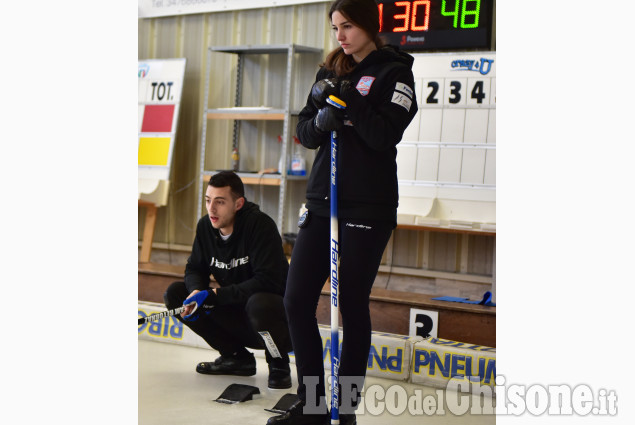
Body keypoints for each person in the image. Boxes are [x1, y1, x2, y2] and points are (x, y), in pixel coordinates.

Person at [266, 0, 418, 424]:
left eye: (347, 26)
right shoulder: (329, 70)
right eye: (335, 27)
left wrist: (350, 105)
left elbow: (383, 136)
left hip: (367, 204)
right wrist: (322, 119)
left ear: (370, 25)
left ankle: (344, 408)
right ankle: (312, 404)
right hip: (322, 201)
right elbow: (304, 132)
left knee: (350, 303)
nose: (340, 36)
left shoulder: (395, 73)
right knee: (295, 300)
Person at [164, 171, 293, 390]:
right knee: (176, 294)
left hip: (275, 321)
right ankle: (235, 357)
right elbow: (195, 268)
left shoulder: (260, 226)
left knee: (259, 303)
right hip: (237, 314)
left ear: (238, 203)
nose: (211, 208)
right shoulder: (206, 226)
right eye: (208, 200)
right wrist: (197, 291)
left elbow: (268, 281)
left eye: (220, 202)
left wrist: (215, 295)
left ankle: (278, 361)